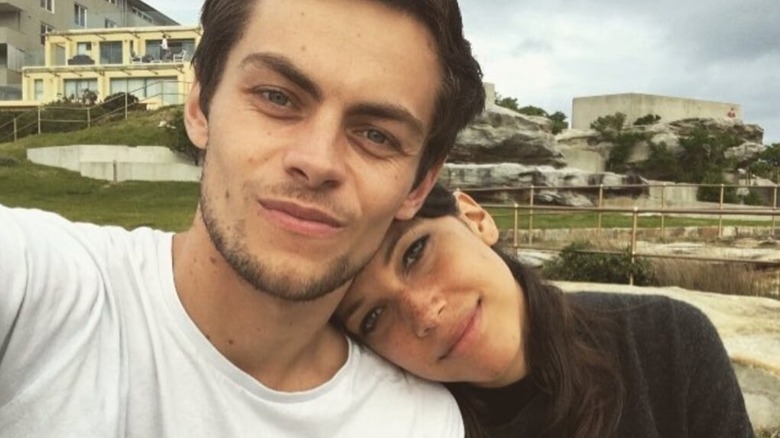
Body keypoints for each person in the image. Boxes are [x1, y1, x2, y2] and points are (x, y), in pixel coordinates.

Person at [0, 0, 485, 436]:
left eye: (376, 136)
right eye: (277, 97)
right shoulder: (37, 290)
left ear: (419, 186)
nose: (317, 162)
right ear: (199, 106)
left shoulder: (419, 423)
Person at [336, 184, 756, 438]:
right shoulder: (408, 424)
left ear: (475, 218)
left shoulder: (666, 341)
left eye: (415, 252)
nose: (424, 315)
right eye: (373, 317)